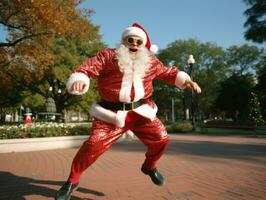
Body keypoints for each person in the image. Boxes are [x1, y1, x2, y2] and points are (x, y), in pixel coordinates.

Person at [55, 23, 201, 200]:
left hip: (140, 112)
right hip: (110, 115)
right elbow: (88, 67)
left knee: (162, 139)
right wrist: (81, 78)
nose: (134, 44)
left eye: (139, 42)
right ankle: (72, 180)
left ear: (143, 45)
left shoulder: (151, 61)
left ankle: (149, 166)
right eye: (130, 40)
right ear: (123, 42)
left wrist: (185, 80)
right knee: (92, 145)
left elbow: (168, 72)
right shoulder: (108, 56)